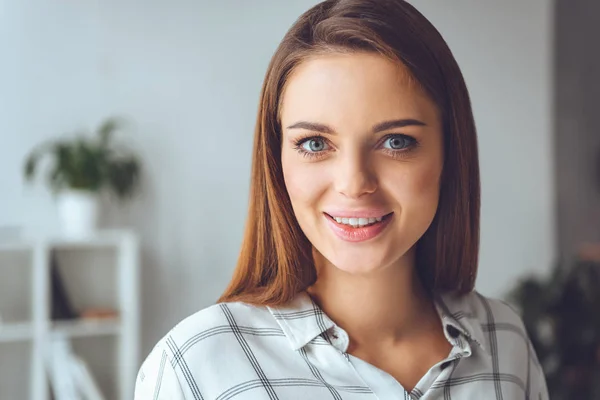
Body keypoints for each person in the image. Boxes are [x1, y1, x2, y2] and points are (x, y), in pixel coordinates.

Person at [134, 0, 549, 399]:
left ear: (450, 153)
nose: (354, 183)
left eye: (396, 141)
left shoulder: (504, 341)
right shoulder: (196, 367)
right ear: (276, 161)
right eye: (315, 143)